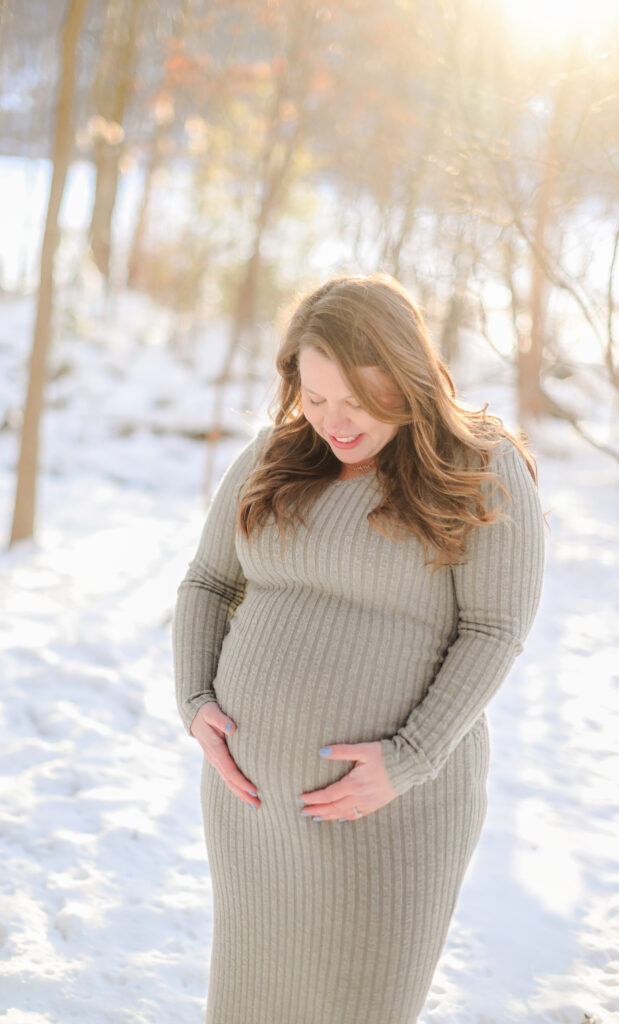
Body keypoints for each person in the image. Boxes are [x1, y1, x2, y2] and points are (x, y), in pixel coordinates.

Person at [172, 272, 546, 1024]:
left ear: (405, 374)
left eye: (356, 399)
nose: (332, 422)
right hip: (251, 814)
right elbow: (208, 582)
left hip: (388, 815)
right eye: (314, 398)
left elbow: (493, 630)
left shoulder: (481, 466)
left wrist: (408, 759)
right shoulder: (275, 456)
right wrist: (196, 701)